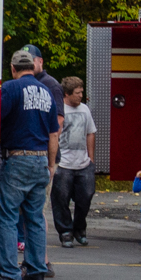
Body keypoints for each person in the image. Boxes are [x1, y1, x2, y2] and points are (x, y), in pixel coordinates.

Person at [0, 48, 60, 280]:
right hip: (40, 161)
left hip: (17, 159)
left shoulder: (10, 88)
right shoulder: (47, 92)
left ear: (13, 68)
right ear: (33, 66)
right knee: (35, 218)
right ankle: (36, 271)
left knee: (6, 217)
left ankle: (9, 274)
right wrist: (50, 165)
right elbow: (53, 134)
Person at [51, 77, 97, 248]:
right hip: (63, 164)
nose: (81, 95)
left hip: (83, 163)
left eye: (81, 92)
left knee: (86, 196)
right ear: (67, 94)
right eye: (77, 93)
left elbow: (90, 132)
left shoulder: (85, 110)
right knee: (61, 199)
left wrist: (91, 159)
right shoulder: (59, 110)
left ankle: (79, 228)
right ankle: (65, 232)